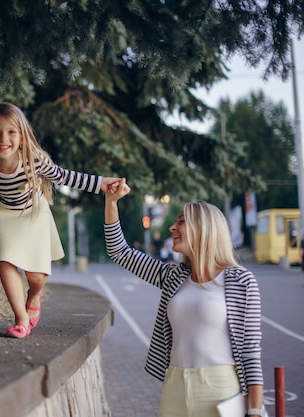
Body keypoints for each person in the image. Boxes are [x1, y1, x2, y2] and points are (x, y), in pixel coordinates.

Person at [0, 102, 118, 339]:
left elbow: (63, 176)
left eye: (11, 132)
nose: (3, 138)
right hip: (2, 213)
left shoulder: (33, 160)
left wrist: (101, 183)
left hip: (33, 212)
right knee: (5, 261)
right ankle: (21, 319)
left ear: (22, 137)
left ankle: (33, 296)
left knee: (36, 278)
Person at [104, 178, 265, 417]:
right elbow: (120, 252)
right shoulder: (173, 277)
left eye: (181, 222)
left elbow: (251, 351)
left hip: (220, 389)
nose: (172, 228)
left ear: (205, 229)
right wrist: (111, 202)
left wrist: (254, 409)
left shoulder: (240, 281)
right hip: (175, 385)